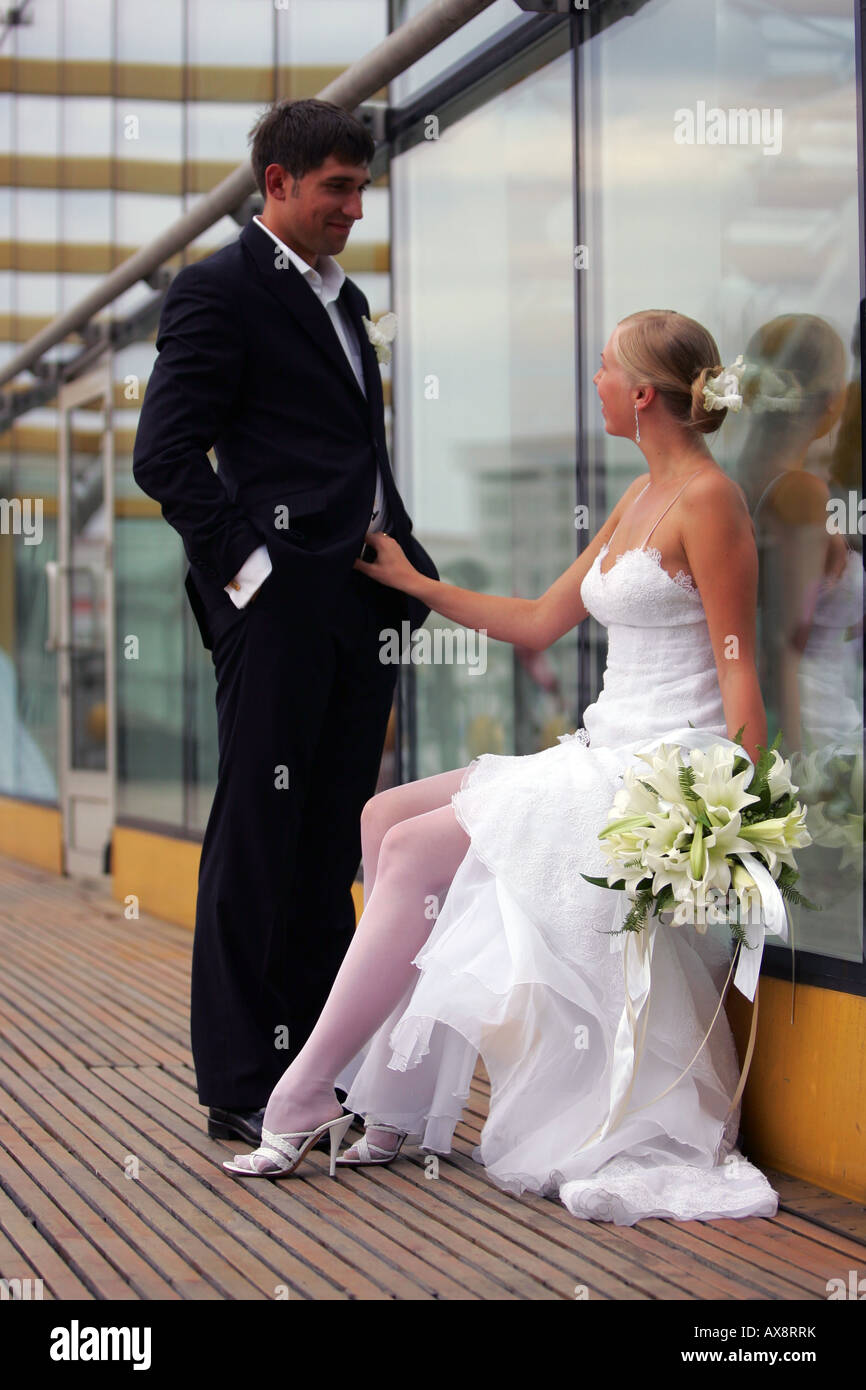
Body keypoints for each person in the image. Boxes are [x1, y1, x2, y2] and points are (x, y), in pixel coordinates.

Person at [223, 309, 781, 1224]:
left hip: (655, 768)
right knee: (381, 818)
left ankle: (304, 1092)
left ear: (642, 394)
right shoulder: (638, 497)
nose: (595, 381)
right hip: (600, 748)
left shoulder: (709, 502)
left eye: (605, 369)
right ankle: (395, 1105)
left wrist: (730, 819)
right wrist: (412, 582)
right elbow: (536, 620)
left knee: (407, 853)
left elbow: (740, 670)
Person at [132, 98, 439, 1147]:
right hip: (279, 607)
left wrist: (397, 551)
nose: (355, 207)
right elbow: (163, 457)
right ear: (276, 184)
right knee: (260, 838)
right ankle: (240, 1082)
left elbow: (351, 452)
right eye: (335, 188)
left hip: (361, 600)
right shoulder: (216, 292)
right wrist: (253, 574)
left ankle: (314, 1072)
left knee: (326, 843)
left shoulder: (344, 304)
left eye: (361, 187)